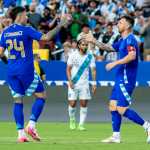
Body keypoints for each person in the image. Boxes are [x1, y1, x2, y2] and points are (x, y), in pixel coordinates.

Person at [0, 6, 69, 143]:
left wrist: (9, 63)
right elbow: (46, 37)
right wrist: (60, 24)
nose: (27, 17)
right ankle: (31, 125)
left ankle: (20, 134)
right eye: (26, 15)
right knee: (41, 96)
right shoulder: (27, 30)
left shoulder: (6, 32)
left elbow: (0, 53)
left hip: (12, 72)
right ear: (20, 15)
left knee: (18, 101)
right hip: (26, 71)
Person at [84, 15, 150, 143]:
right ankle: (116, 136)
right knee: (113, 106)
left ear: (128, 25)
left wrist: (114, 63)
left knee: (121, 109)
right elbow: (107, 47)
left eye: (120, 22)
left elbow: (132, 56)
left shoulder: (130, 39)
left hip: (126, 79)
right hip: (119, 78)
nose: (117, 24)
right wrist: (93, 40)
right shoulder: (122, 40)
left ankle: (147, 126)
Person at [66, 38, 96, 131]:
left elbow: (93, 70)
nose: (85, 46)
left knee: (84, 104)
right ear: (79, 46)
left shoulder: (90, 56)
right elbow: (68, 69)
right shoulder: (73, 55)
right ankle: (72, 120)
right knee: (72, 103)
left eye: (86, 45)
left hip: (84, 84)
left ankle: (81, 124)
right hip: (74, 83)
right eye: (83, 45)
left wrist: (94, 83)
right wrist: (70, 81)